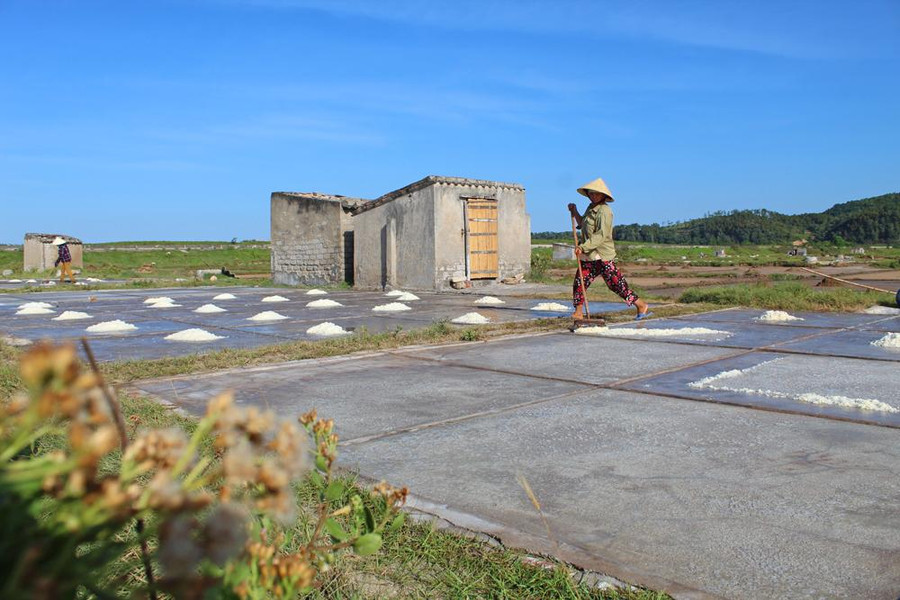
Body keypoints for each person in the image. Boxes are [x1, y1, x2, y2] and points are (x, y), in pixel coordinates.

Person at [568, 177, 651, 320]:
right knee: (579, 282)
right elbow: (583, 224)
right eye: (591, 193)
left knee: (616, 284)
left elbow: (601, 235)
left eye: (597, 194)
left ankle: (641, 305)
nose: (594, 196)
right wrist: (575, 211)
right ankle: (579, 312)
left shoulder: (605, 211)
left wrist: (582, 247)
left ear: (603, 196)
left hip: (602, 255)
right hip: (589, 255)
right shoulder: (591, 208)